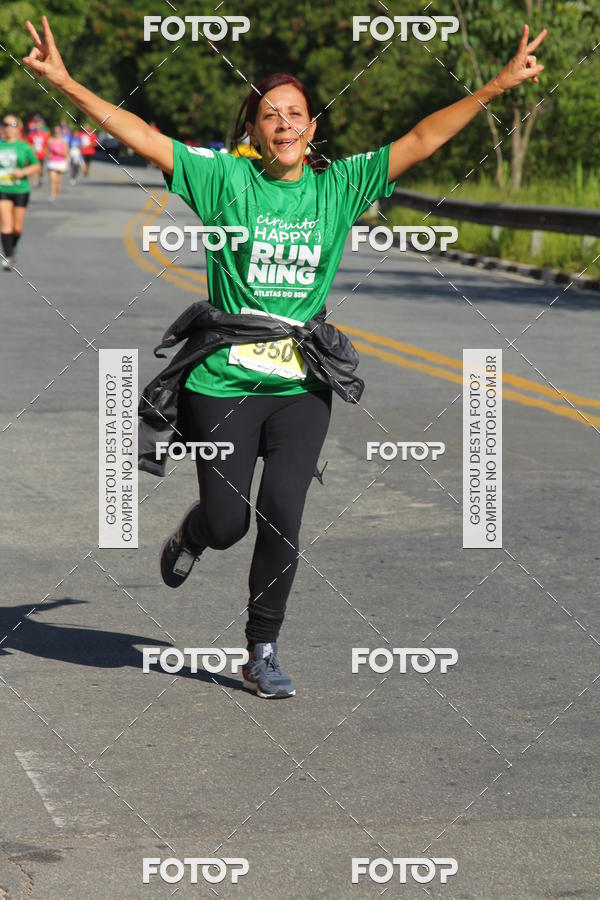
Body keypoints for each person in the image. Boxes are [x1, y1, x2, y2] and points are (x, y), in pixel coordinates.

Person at [23, 15, 546, 698]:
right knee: (229, 522)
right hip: (222, 381)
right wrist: (65, 84)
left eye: (296, 114)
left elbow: (421, 138)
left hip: (303, 385)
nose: (285, 124)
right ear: (253, 131)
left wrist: (498, 85)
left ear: (312, 128)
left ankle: (261, 647)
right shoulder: (221, 184)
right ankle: (195, 532)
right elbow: (141, 134)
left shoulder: (339, 188)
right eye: (270, 116)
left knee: (284, 513)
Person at [0, 114, 41, 270]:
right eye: (6, 124)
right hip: (2, 188)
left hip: (20, 189)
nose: (9, 127)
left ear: (19, 128)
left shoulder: (24, 147)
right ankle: (8, 256)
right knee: (6, 225)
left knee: (17, 228)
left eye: (13, 124)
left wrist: (23, 172)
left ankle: (12, 246)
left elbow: (36, 166)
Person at [45, 124, 69, 200]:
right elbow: (47, 151)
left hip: (60, 163)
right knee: (52, 179)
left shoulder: (64, 142)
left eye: (58, 131)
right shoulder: (50, 140)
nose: (56, 133)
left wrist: (59, 152)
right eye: (55, 132)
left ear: (60, 132)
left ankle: (56, 192)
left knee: (58, 180)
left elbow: (66, 154)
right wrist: (48, 155)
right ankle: (52, 194)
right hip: (52, 162)